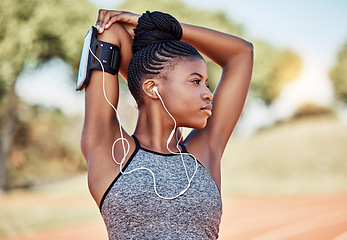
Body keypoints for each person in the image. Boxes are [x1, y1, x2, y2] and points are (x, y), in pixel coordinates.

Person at [80, 9, 253, 240]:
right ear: (152, 88)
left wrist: (168, 28)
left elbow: (242, 54)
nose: (209, 94)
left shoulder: (204, 153)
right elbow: (110, 30)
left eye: (206, 83)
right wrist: (144, 68)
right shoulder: (111, 152)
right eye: (195, 81)